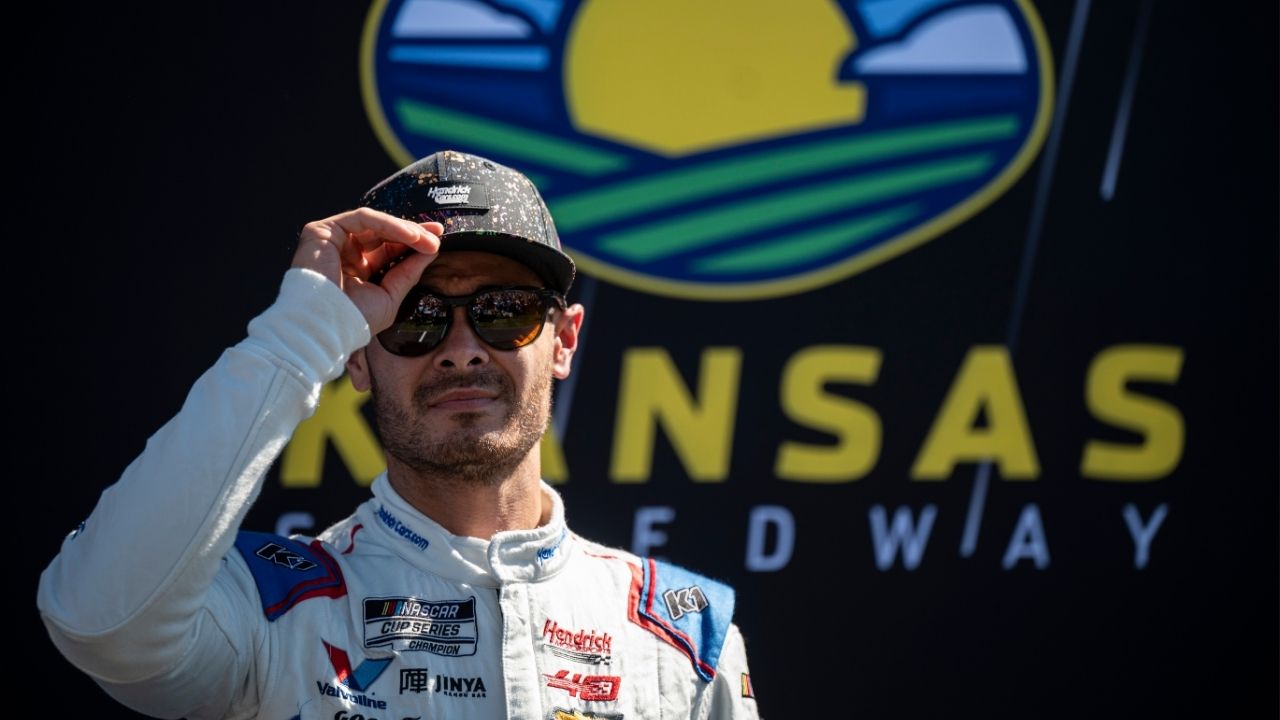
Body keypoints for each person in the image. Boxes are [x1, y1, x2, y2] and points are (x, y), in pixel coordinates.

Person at [36, 150, 760, 719]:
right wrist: (299, 335)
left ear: (564, 340)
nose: (463, 349)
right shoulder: (273, 610)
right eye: (416, 317)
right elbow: (100, 623)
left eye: (504, 310)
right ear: (356, 354)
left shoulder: (683, 635)